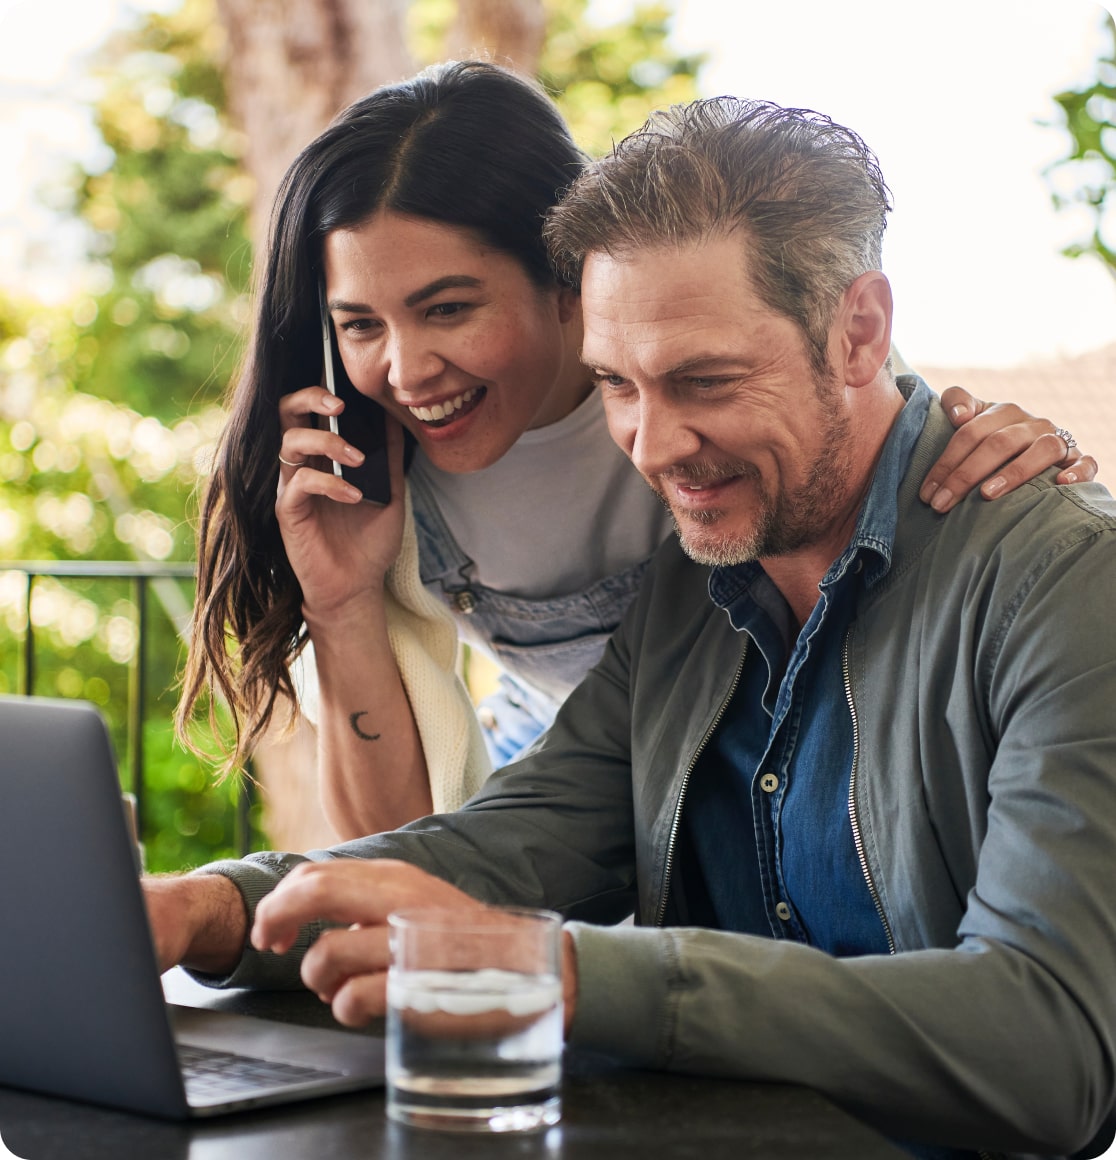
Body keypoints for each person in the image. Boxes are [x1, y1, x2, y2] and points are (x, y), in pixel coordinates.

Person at [174, 61, 1096, 842]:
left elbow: (881, 418)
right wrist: (340, 606)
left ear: (569, 281)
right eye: (361, 324)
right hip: (561, 776)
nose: (407, 370)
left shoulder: (708, 376)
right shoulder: (373, 479)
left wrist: (1008, 451)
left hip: (768, 760)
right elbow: (395, 849)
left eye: (449, 308)